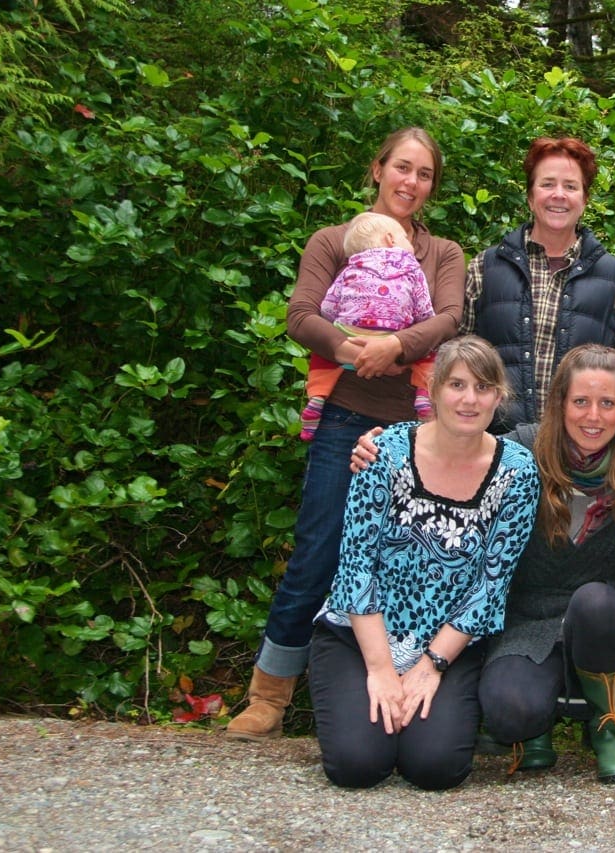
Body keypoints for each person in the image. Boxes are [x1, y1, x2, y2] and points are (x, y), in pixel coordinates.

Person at [352, 344, 615, 783]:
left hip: (603, 618)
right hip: (527, 618)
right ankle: (537, 727)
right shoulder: (521, 450)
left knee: (595, 601)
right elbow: (457, 448)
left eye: (607, 403)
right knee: (509, 711)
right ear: (559, 403)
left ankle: (609, 726)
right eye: (580, 401)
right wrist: (381, 448)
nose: (593, 416)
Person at [226, 127, 466, 742]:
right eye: (402, 168)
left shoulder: (442, 253)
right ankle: (269, 696)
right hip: (344, 419)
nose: (411, 182)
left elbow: (448, 317)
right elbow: (301, 315)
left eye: (425, 174)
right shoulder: (333, 241)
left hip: (419, 430)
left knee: (409, 561)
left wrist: (397, 346)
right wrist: (356, 352)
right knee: (319, 551)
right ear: (378, 169)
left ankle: (402, 698)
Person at [308, 336, 540, 791]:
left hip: (447, 645)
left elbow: (491, 585)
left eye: (483, 387)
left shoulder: (517, 471)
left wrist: (431, 664)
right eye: (457, 384)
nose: (469, 399)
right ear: (433, 389)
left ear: (499, 397)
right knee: (358, 765)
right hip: (360, 634)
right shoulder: (383, 452)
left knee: (435, 768)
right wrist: (381, 670)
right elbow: (356, 566)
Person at [462, 136, 615, 433]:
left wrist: (601, 415)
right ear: (530, 197)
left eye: (570, 186)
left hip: (579, 450)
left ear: (584, 200)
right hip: (496, 446)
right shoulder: (486, 268)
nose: (559, 195)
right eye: (547, 184)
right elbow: (455, 355)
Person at [300, 211, 437, 440]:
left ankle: (317, 396)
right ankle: (423, 396)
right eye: (405, 238)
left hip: (351, 335)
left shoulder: (350, 269)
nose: (410, 244)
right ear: (390, 239)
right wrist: (418, 326)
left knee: (322, 354)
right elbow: (424, 310)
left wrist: (338, 324)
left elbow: (328, 307)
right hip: (393, 336)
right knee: (429, 351)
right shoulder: (412, 268)